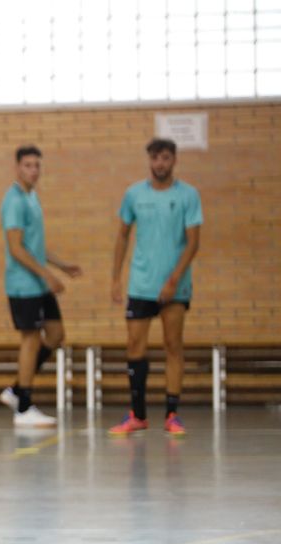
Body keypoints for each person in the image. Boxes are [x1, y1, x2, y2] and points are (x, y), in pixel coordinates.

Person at [108, 138, 202, 437]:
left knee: (173, 345)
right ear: (149, 161)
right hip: (141, 284)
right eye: (155, 158)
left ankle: (172, 414)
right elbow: (122, 235)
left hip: (176, 287)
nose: (160, 163)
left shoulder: (188, 195)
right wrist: (115, 277)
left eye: (165, 158)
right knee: (135, 346)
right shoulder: (133, 194)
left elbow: (193, 242)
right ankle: (137, 414)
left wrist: (174, 279)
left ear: (174, 160)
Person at [0, 145, 83, 427]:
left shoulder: (32, 197)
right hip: (24, 284)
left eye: (37, 165)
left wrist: (61, 266)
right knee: (31, 340)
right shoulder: (14, 201)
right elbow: (16, 249)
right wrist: (47, 275)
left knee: (56, 334)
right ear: (17, 168)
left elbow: (35, 247)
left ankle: (16, 390)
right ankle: (24, 407)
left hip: (39, 282)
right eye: (28, 165)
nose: (33, 170)